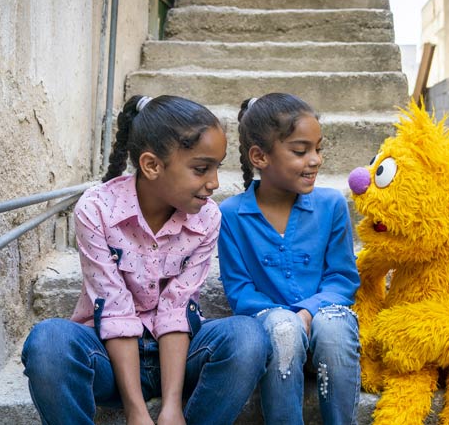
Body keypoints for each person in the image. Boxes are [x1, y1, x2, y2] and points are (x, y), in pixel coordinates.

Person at [22, 95, 270, 425]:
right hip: (108, 357)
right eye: (201, 169)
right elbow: (113, 307)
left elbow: (176, 308)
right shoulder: (96, 209)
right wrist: (137, 412)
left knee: (248, 337)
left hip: (180, 357)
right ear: (152, 165)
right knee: (48, 341)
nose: (214, 183)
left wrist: (171, 406)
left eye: (216, 167)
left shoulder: (206, 217)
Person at [217, 93, 361, 425]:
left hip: (327, 320)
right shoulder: (231, 215)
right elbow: (240, 291)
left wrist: (309, 312)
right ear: (260, 156)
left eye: (318, 149)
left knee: (335, 327)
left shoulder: (331, 206)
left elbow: (342, 279)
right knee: (283, 329)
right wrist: (288, 318)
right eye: (300, 151)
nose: (315, 160)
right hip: (273, 328)